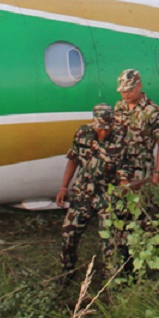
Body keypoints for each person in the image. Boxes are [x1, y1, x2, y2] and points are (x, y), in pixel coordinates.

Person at [56, 104, 130, 281]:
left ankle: (111, 279)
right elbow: (73, 159)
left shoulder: (120, 139)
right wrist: (64, 187)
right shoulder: (82, 133)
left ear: (112, 124)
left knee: (110, 239)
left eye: (106, 128)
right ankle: (66, 272)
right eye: (99, 128)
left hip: (107, 195)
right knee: (69, 233)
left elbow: (123, 172)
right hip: (83, 192)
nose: (102, 132)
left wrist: (124, 188)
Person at [113, 69, 159, 185]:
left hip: (142, 169)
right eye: (123, 91)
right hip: (120, 168)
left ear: (139, 85)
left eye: (129, 90)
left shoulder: (152, 111)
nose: (126, 94)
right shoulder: (119, 107)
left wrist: (157, 173)